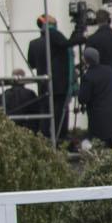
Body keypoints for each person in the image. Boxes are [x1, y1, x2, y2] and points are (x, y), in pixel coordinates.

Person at [71, 6, 112, 146]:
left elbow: (86, 58)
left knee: (98, 120)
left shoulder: (92, 39)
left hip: (95, 84)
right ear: (109, 20)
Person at [27, 16, 75, 144]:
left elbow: (31, 64)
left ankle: (45, 139)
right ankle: (60, 138)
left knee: (45, 112)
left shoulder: (34, 44)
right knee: (61, 113)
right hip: (60, 84)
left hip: (43, 85)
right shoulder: (58, 40)